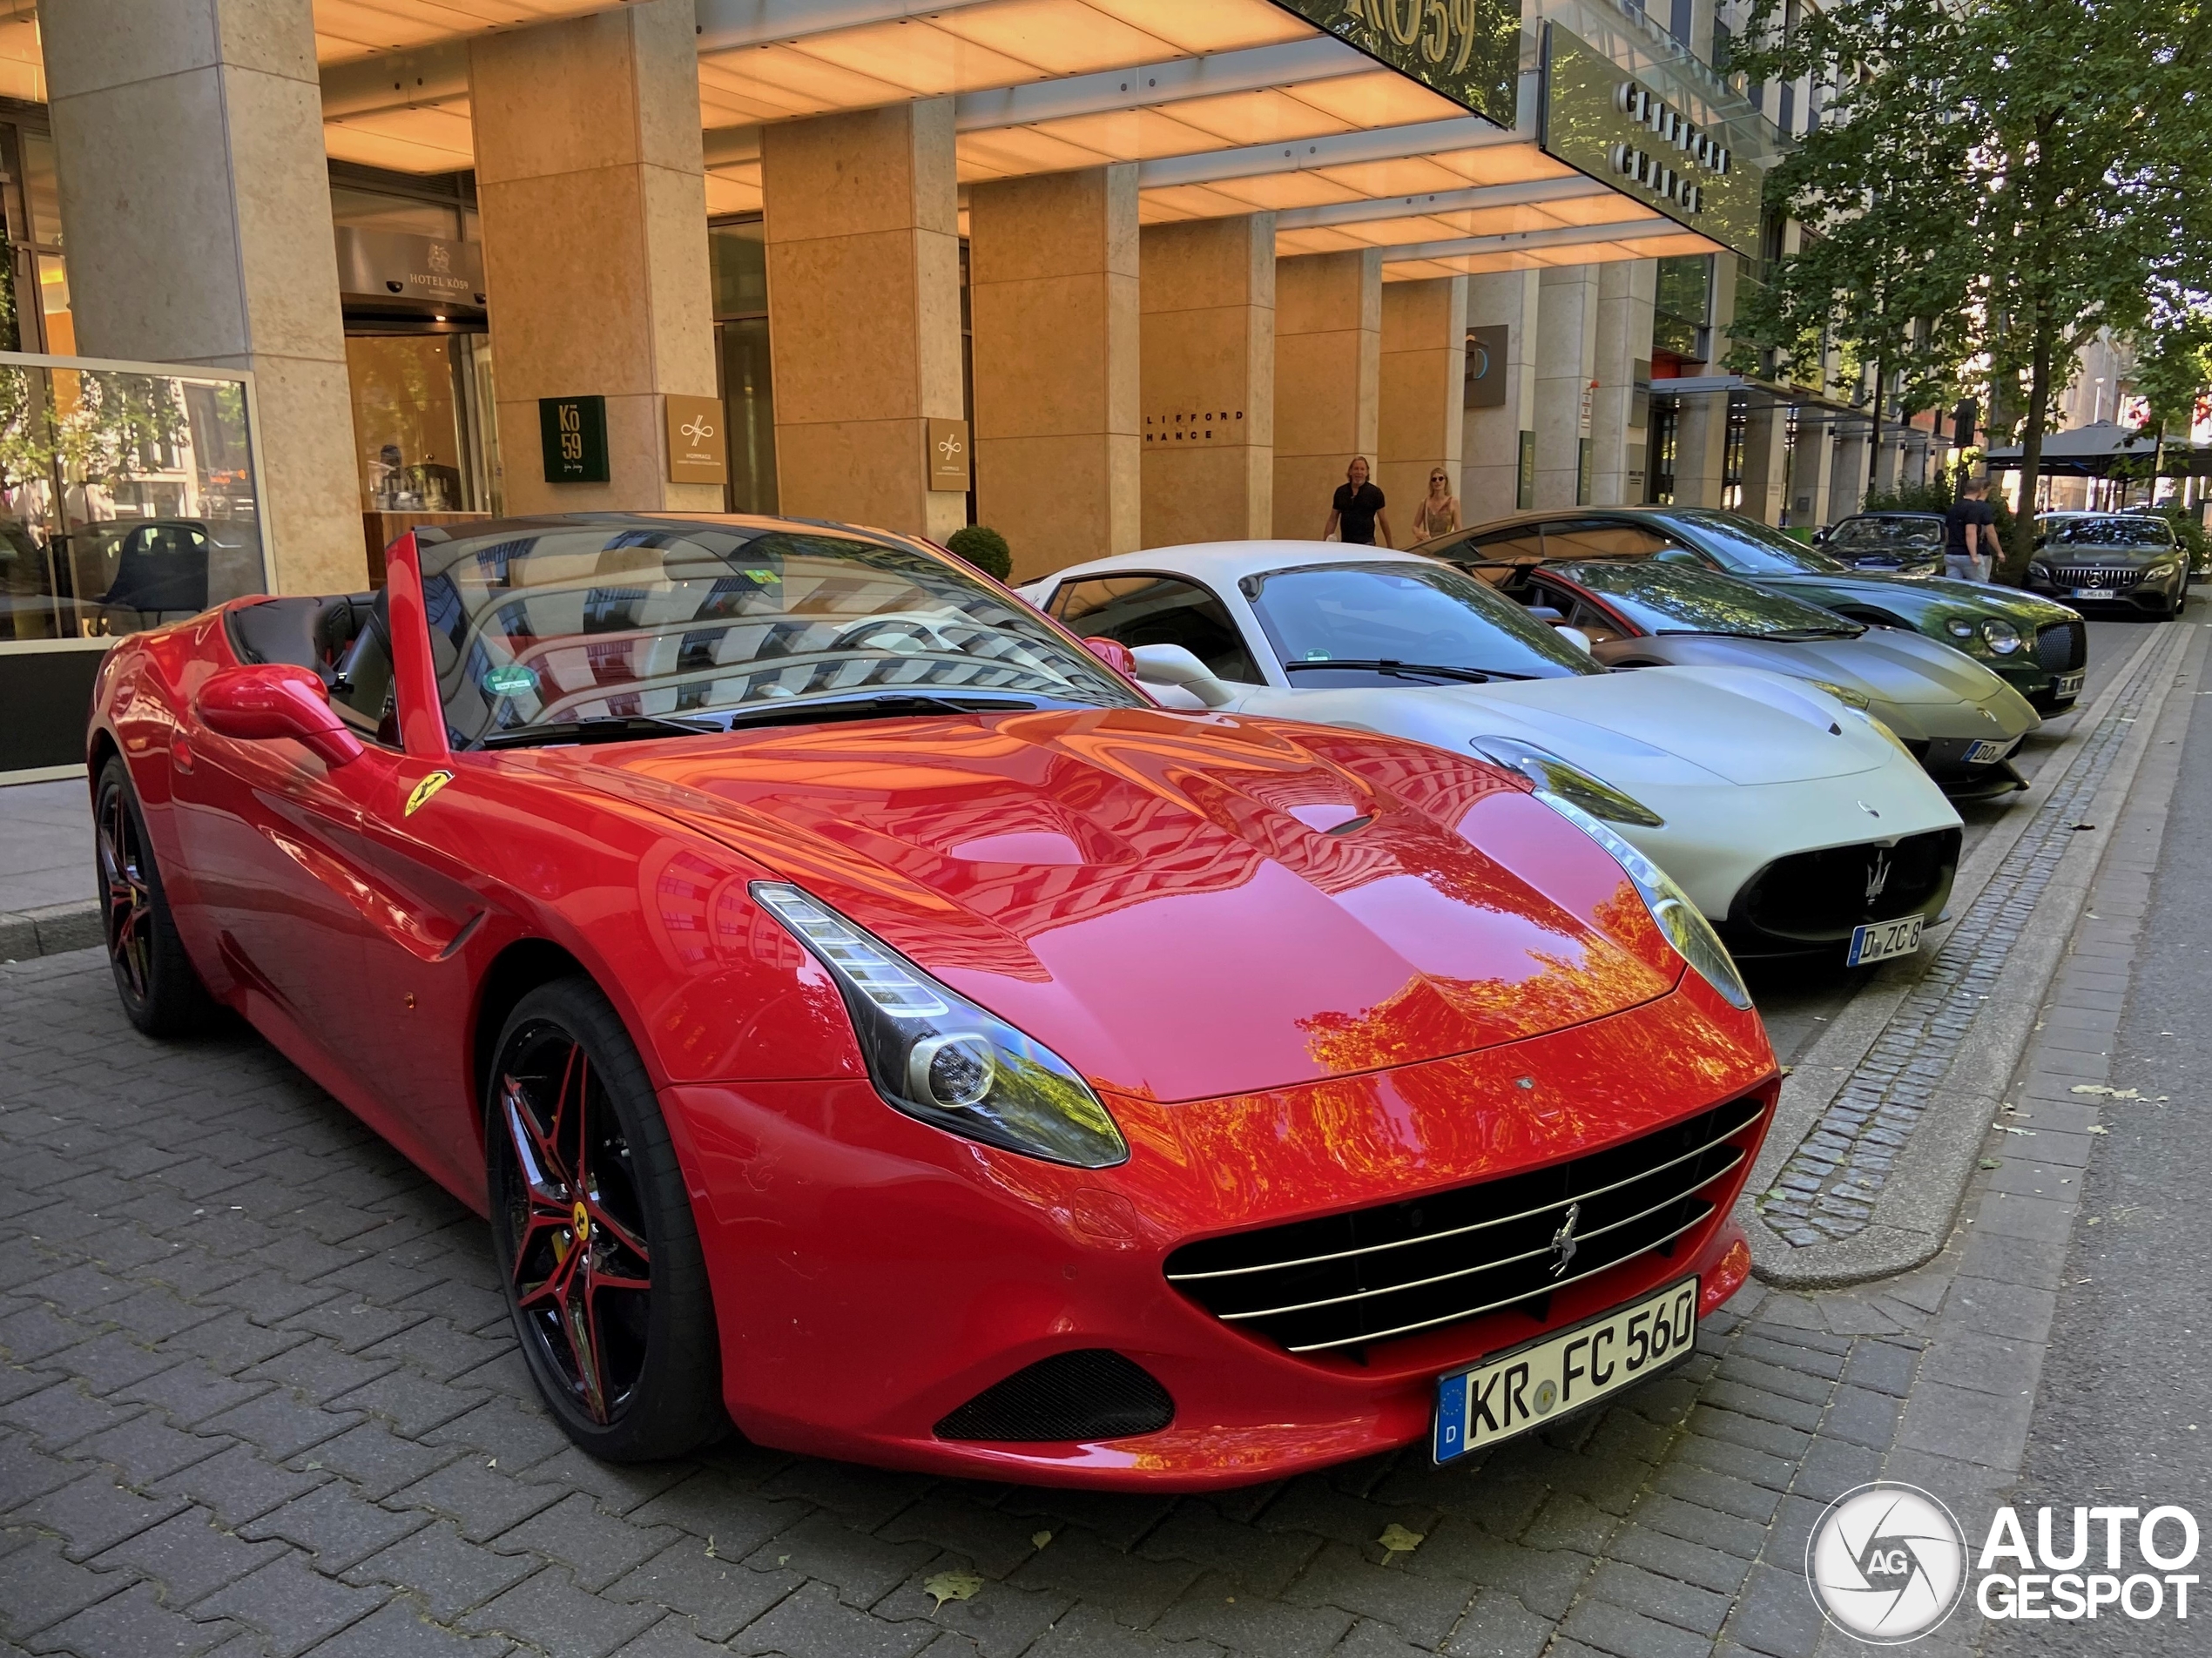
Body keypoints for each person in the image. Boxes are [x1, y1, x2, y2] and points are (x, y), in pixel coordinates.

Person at [1323, 455, 1391, 547]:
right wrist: (1324, 542)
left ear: (1367, 472)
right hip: (1346, 543)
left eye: (1362, 469)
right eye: (1356, 469)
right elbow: (1333, 519)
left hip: (1367, 543)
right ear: (1350, 471)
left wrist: (1390, 545)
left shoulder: (1375, 493)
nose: (1359, 472)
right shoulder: (1341, 491)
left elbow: (1383, 521)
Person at [1943, 477, 1996, 581]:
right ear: (1980, 490)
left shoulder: (1954, 506)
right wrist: (1974, 555)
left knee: (1953, 587)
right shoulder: (1973, 508)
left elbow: (1947, 530)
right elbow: (1970, 532)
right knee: (1980, 587)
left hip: (1951, 555)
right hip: (1966, 555)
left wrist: (1947, 549)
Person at [1412, 468, 1460, 541]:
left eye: (1441, 478)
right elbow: (1415, 526)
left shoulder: (1453, 502)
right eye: (1434, 479)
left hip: (1445, 544)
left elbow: (1458, 530)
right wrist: (1420, 534)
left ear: (1446, 481)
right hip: (1428, 543)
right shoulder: (1425, 502)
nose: (1437, 481)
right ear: (1431, 483)